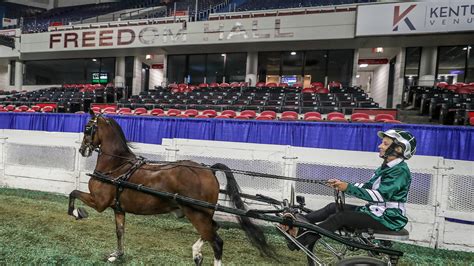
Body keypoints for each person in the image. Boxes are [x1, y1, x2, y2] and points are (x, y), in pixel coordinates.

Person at [286, 129, 417, 250]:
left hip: (389, 219)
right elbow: (368, 187)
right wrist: (342, 184)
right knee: (332, 207)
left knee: (341, 217)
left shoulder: (400, 171)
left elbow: (380, 196)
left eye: (385, 144)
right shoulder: (388, 167)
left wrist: (347, 188)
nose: (380, 146)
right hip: (377, 213)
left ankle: (299, 242)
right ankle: (298, 223)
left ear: (398, 149)